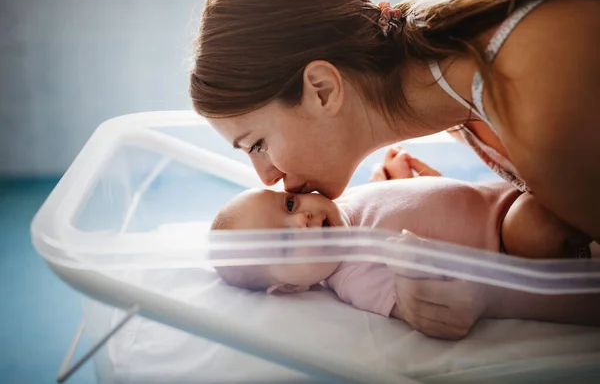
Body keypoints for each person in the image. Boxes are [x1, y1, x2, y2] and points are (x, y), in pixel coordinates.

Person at [191, 0, 600, 335]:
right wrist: (433, 207)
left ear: (321, 89)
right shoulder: (457, 78)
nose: (265, 176)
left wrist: (493, 292)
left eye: (257, 144)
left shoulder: (537, 104)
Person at [211, 147, 599, 339]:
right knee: (543, 220)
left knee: (553, 166)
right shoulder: (356, 278)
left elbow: (390, 204)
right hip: (509, 240)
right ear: (291, 286)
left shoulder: (342, 205)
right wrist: (413, 271)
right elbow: (419, 302)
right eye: (285, 243)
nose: (303, 219)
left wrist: (395, 180)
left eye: (289, 204)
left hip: (500, 193)